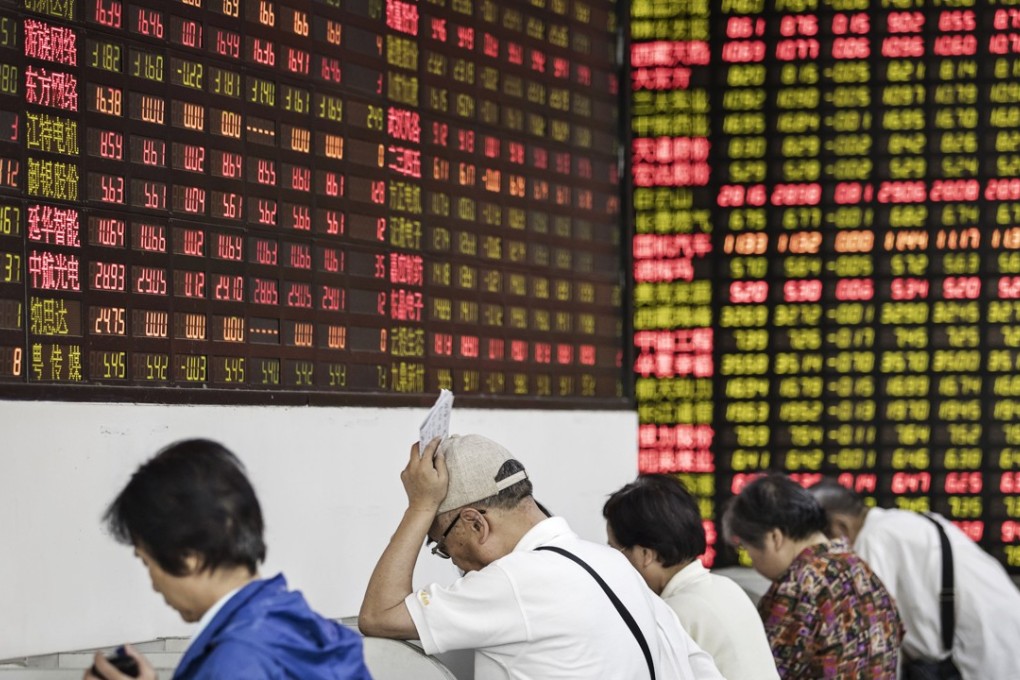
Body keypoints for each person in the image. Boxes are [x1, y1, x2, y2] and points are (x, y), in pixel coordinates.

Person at [359, 434, 723, 679]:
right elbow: (699, 668)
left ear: (474, 524)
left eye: (441, 543)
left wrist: (420, 506)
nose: (452, 560)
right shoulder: (612, 564)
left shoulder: (514, 581)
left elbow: (378, 616)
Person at [85, 439, 371, 680]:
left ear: (188, 557)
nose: (154, 586)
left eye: (148, 563)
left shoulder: (236, 661)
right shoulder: (310, 629)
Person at [809, 479, 1020, 679]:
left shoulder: (873, 539)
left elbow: (877, 641)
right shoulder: (898, 523)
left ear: (841, 528)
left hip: (987, 652)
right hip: (1000, 636)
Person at [721, 473, 903, 679]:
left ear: (774, 538)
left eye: (747, 549)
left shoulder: (794, 588)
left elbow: (764, 672)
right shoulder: (861, 568)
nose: (753, 562)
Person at [604, 475, 779, 680]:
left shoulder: (673, 614)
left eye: (615, 550)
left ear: (645, 555)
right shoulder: (726, 587)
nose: (612, 561)